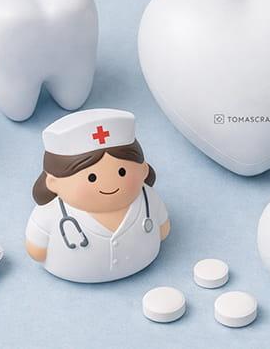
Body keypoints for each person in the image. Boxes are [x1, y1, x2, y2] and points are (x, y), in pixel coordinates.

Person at [25, 108, 170, 283]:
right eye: (91, 177)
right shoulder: (50, 212)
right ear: (53, 182)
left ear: (143, 169)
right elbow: (36, 249)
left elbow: (163, 227)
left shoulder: (147, 198)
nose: (109, 184)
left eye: (122, 172)